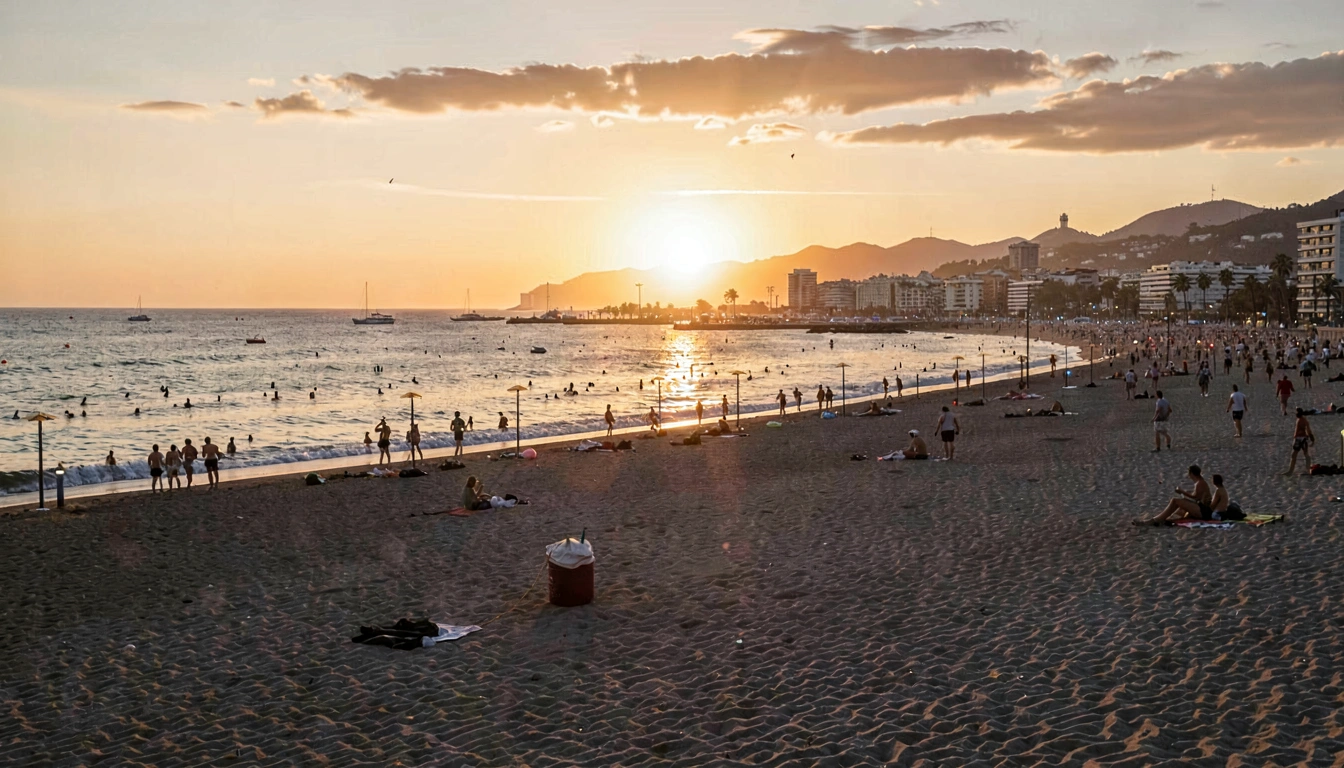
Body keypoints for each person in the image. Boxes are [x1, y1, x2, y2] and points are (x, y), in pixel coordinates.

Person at [1135, 464, 1212, 525]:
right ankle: (1160, 519)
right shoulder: (1200, 482)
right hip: (1202, 509)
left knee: (1175, 501)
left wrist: (1182, 492)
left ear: (1191, 473)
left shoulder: (1200, 483)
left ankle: (1156, 520)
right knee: (1179, 505)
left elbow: (1195, 498)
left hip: (1203, 511)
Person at [1285, 407, 1314, 475]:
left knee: (1303, 454)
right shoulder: (1301, 419)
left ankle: (1307, 470)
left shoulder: (1303, 420)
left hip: (1301, 439)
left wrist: (1312, 439)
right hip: (1299, 438)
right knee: (1296, 455)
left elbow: (1308, 430)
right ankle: (1291, 471)